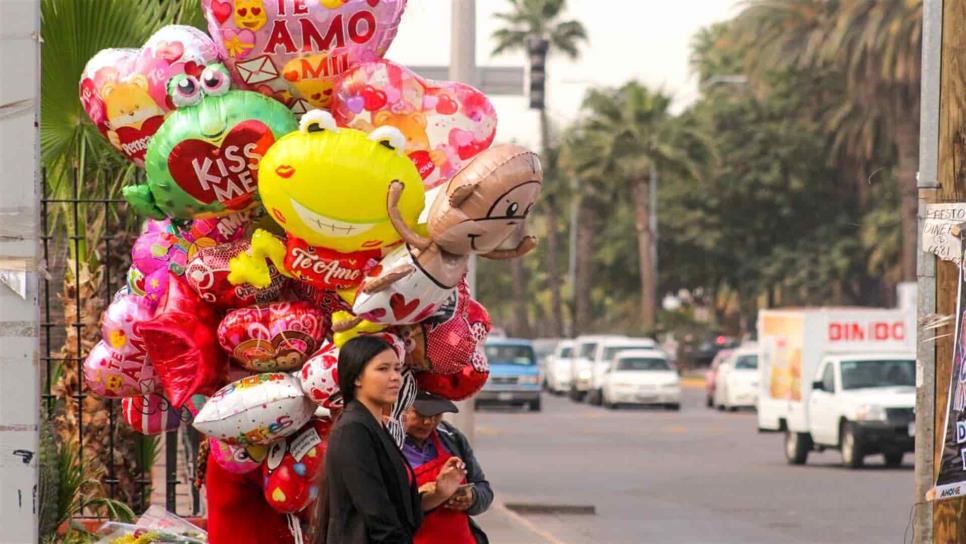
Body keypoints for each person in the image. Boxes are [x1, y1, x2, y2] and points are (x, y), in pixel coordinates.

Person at [321, 335, 466, 543]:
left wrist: (438, 494)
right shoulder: (353, 431)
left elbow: (395, 507)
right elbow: (377, 515)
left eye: (397, 369)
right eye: (383, 369)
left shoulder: (375, 426)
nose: (395, 377)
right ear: (356, 377)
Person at [402, 391, 494, 544]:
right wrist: (428, 495)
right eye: (420, 414)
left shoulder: (452, 438)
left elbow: (484, 489)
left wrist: (471, 498)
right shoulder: (384, 444)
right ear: (400, 409)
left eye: (437, 415)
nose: (428, 422)